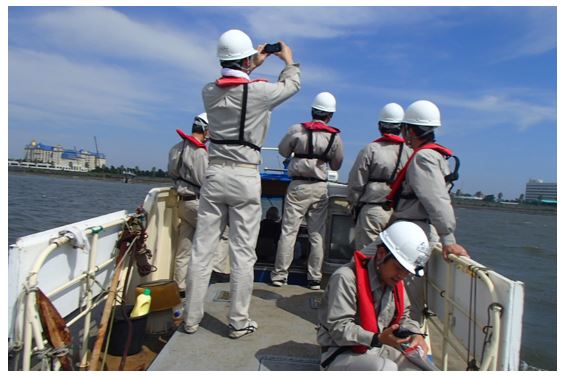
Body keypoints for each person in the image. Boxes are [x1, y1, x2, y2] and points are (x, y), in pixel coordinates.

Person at [183, 29, 300, 339]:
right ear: (247, 59)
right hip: (245, 175)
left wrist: (251, 64)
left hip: (214, 174)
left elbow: (230, 81)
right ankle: (237, 322)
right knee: (243, 253)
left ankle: (191, 319)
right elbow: (292, 85)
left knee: (202, 250)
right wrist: (287, 60)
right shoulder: (260, 93)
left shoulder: (208, 91)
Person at [317, 221, 432, 371]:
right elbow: (339, 328)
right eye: (399, 268)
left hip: (378, 348)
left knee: (425, 370)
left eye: (407, 271)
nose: (402, 275)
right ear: (381, 254)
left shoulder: (395, 280)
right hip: (340, 353)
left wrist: (415, 334)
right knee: (385, 369)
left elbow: (404, 317)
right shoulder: (345, 278)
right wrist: (377, 339)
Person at [270, 92, 343, 290]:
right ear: (330, 116)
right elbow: (336, 165)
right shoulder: (335, 137)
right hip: (319, 187)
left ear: (312, 111)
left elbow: (283, 151)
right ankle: (314, 279)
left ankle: (279, 275)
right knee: (316, 234)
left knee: (289, 231)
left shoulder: (297, 130)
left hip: (298, 186)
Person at [386, 100, 469, 261]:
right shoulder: (436, 155)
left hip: (413, 232)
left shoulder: (424, 157)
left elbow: (436, 199)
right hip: (415, 228)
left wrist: (448, 239)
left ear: (410, 130)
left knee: (362, 266)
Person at [347, 103, 412, 250]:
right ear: (402, 128)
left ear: (380, 126)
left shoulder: (371, 149)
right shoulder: (410, 152)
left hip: (373, 211)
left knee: (367, 256)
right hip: (399, 214)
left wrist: (353, 203)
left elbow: (356, 182)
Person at [167, 113, 210, 298]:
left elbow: (172, 171)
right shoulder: (199, 152)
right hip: (197, 202)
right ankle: (200, 285)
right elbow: (204, 181)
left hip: (182, 202)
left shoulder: (177, 147)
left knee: (184, 247)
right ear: (206, 130)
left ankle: (180, 285)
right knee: (210, 243)